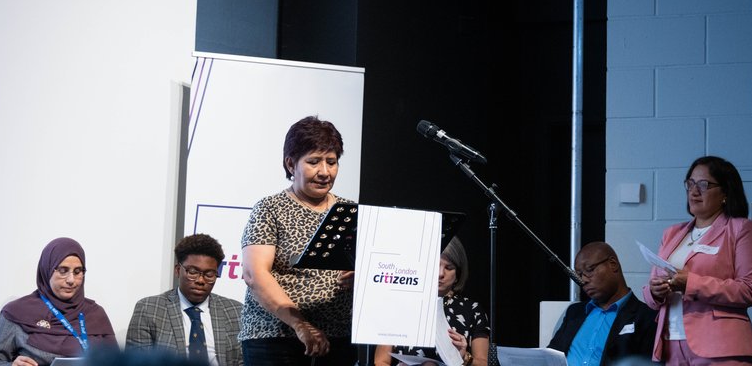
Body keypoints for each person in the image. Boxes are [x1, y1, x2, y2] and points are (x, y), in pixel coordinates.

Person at [239, 115, 357, 365]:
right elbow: (254, 274)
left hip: (338, 340)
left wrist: (363, 279)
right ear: (291, 164)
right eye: (314, 162)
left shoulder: (350, 211)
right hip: (274, 339)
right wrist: (300, 324)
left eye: (332, 162)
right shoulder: (270, 209)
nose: (325, 172)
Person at [642, 156, 752, 365]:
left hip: (721, 346)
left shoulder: (741, 228)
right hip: (671, 343)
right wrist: (655, 292)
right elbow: (651, 289)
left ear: (725, 192)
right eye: (690, 184)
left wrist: (692, 284)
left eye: (703, 185)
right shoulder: (672, 233)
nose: (694, 191)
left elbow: (750, 289)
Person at [0, 237, 116, 365]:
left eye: (77, 271)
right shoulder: (17, 312)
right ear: (46, 270)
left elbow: (116, 362)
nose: (71, 280)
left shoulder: (96, 314)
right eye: (63, 270)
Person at [126, 233, 244, 366]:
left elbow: (244, 361)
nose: (200, 280)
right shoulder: (149, 309)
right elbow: (137, 361)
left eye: (209, 274)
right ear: (177, 270)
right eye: (193, 272)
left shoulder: (235, 311)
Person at [374, 237, 490, 366]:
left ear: (458, 274)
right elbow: (381, 361)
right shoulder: (402, 303)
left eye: (449, 267)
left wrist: (465, 357)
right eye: (435, 265)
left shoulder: (472, 309)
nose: (440, 273)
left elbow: (483, 362)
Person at [548, 242, 657, 366]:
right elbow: (551, 355)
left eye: (590, 270)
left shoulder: (645, 317)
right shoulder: (574, 312)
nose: (583, 280)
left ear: (613, 264)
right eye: (579, 275)